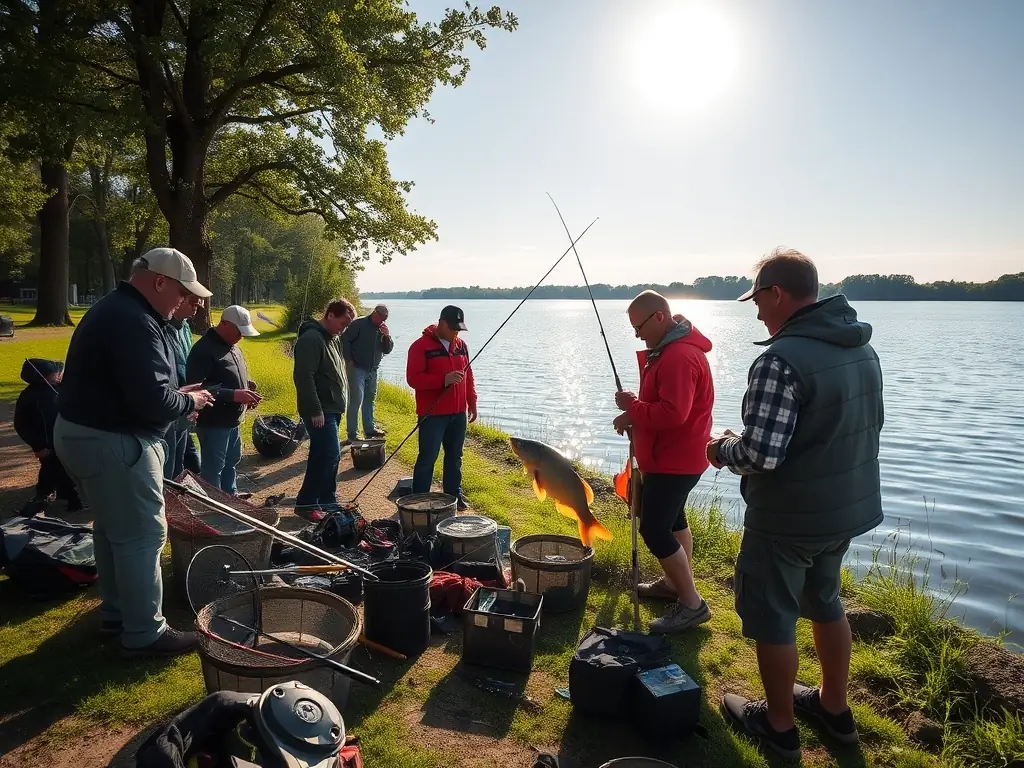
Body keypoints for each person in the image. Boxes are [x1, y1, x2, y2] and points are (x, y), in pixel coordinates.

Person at [709, 248, 884, 760]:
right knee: (827, 602)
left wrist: (721, 450)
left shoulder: (779, 360)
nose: (756, 311)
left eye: (758, 299)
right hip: (846, 509)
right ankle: (833, 709)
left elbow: (761, 454)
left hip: (788, 518)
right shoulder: (860, 348)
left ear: (777, 293)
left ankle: (779, 728)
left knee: (773, 616)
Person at [53, 247, 215, 658]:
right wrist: (189, 403)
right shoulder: (136, 320)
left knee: (111, 529)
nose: (185, 302)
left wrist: (172, 396)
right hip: (114, 442)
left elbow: (136, 388)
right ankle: (145, 633)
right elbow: (154, 404)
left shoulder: (116, 309)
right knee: (144, 535)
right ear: (160, 282)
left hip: (82, 434)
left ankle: (117, 613)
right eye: (182, 293)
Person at [612, 290, 714, 633]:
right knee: (673, 521)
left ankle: (691, 603)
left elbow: (674, 415)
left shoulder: (678, 356)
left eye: (638, 326)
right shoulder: (668, 350)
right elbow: (663, 404)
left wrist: (632, 406)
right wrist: (636, 416)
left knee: (654, 528)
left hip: (676, 458)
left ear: (659, 317)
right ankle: (674, 586)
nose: (637, 334)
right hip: (671, 456)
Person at [186, 305, 262, 496]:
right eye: (239, 332)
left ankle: (231, 499)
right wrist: (234, 394)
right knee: (214, 468)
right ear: (225, 324)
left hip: (233, 420)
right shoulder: (203, 349)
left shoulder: (232, 346)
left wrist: (247, 386)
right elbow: (195, 387)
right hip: (214, 422)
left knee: (232, 462)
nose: (241, 337)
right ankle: (214, 510)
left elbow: (228, 374)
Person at [406, 305, 477, 510]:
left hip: (458, 413)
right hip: (433, 414)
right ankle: (418, 500)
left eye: (459, 328)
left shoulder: (461, 345)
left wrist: (471, 402)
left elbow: (469, 375)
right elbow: (413, 379)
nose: (456, 332)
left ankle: (453, 495)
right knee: (428, 458)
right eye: (453, 327)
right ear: (442, 323)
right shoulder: (420, 347)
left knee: (455, 457)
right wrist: (442, 380)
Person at [292, 299, 356, 521]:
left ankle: (327, 500)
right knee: (328, 454)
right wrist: (315, 410)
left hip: (333, 408)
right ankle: (306, 503)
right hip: (320, 410)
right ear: (330, 315)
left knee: (329, 455)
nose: (344, 328)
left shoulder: (333, 338)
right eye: (343, 323)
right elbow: (304, 378)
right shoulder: (311, 339)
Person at [14, 358, 84, 515]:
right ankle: (45, 499)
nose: (58, 376)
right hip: (46, 444)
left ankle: (67, 496)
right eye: (54, 374)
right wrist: (37, 445)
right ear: (41, 377)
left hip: (66, 440)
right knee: (52, 470)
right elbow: (22, 425)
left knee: (64, 469)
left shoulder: (61, 388)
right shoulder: (30, 396)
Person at [341, 304, 394, 443]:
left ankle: (369, 429)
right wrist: (348, 360)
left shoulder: (382, 329)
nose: (382, 322)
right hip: (357, 367)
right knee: (356, 399)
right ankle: (352, 434)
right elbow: (345, 340)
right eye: (381, 318)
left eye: (385, 320)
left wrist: (387, 336)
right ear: (375, 314)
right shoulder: (359, 324)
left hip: (373, 369)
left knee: (370, 398)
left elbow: (387, 350)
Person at [163, 294, 202, 480]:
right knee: (167, 462)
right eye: (193, 302)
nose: (196, 307)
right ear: (181, 300)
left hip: (186, 401)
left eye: (199, 304)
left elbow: (189, 362)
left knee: (180, 459)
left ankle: (176, 497)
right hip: (171, 400)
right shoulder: (162, 328)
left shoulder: (185, 327)